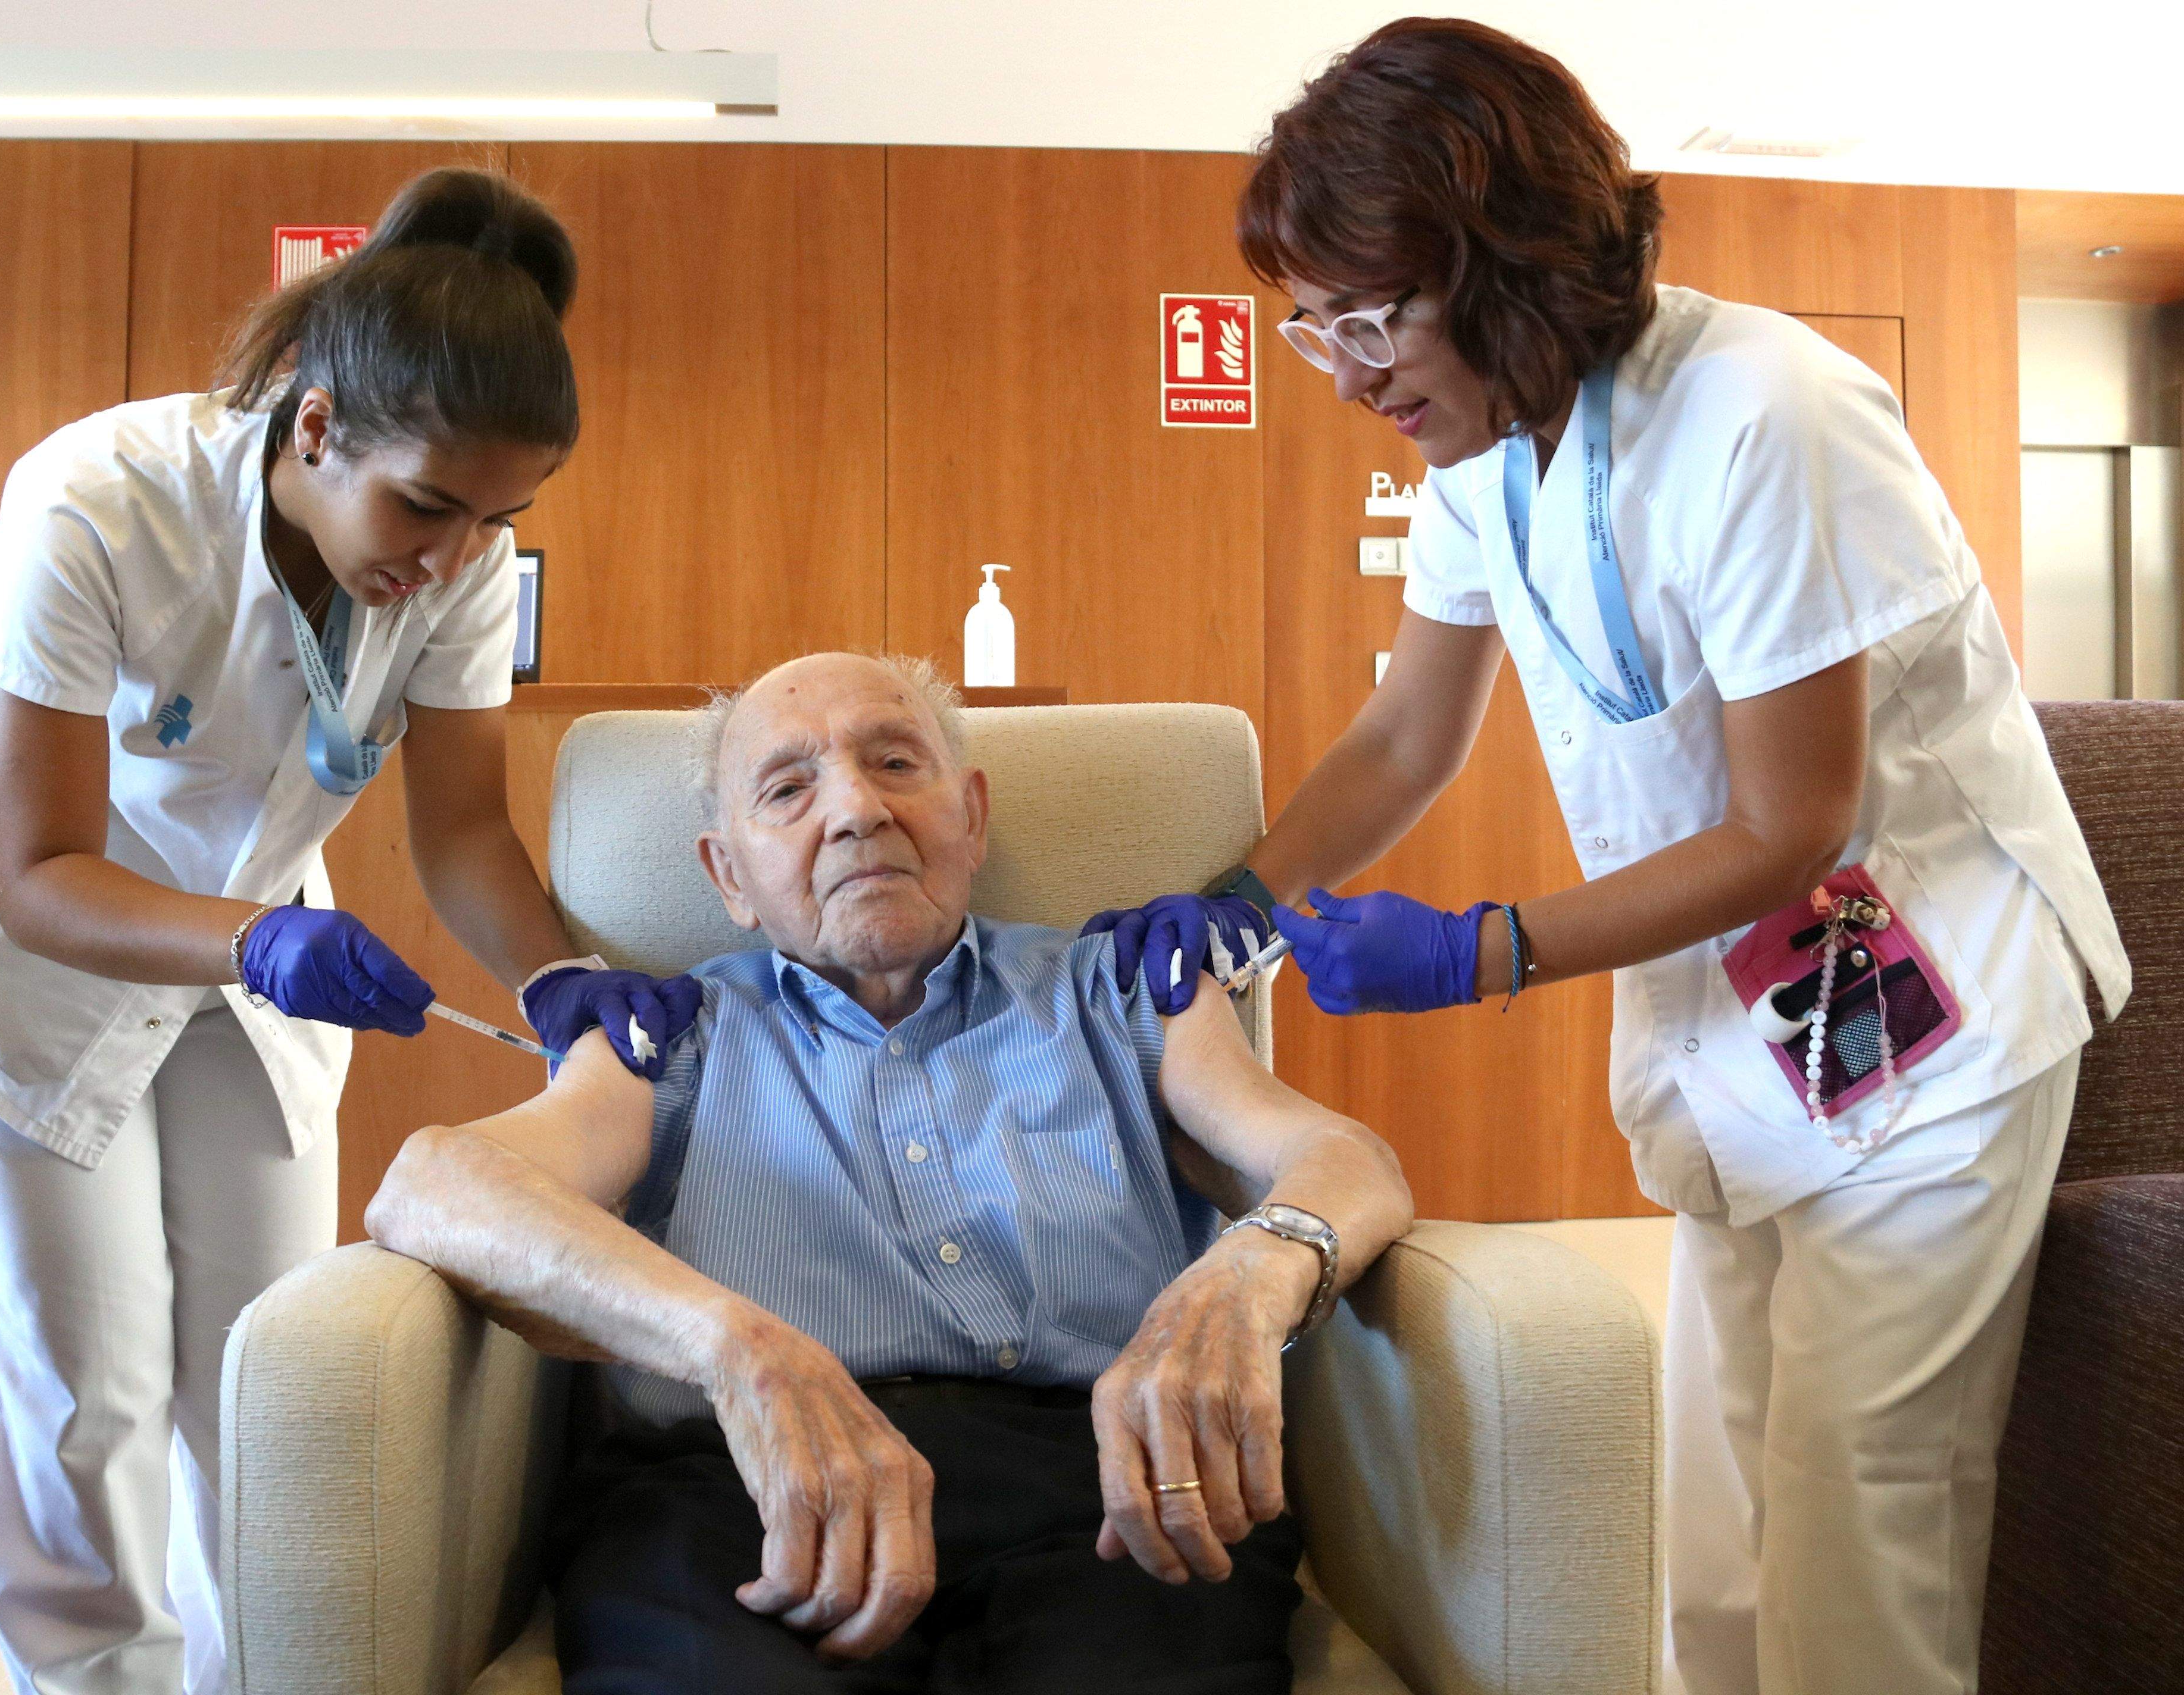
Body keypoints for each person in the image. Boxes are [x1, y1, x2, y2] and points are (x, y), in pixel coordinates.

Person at [1089, 21, 2128, 1695]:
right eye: (1313, 330)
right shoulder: (1483, 457)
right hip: (1755, 1039)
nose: (1345, 371)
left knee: (1862, 1518)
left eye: (1369, 317)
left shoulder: (1768, 413)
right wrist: (1239, 901)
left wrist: (1483, 949)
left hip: (1935, 1029)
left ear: (1498, 261)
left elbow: (1790, 826)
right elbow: (1405, 740)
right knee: (1717, 1524)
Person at [0, 165, 699, 1695]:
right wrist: (254, 939)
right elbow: (40, 864)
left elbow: (462, 835)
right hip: (41, 963)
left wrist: (561, 974)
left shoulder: (455, 563)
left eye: (501, 521)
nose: (457, 556)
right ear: (317, 426)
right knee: (85, 1391)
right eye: (432, 509)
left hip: (254, 970)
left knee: (258, 1378)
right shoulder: (100, 504)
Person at [365, 652, 1415, 1693]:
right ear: (729, 875)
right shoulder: (668, 1035)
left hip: (1104, 1485)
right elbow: (435, 1186)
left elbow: (1343, 1162)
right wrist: (741, 1350)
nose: (857, 810)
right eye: (789, 789)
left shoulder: (1124, 991)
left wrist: (1248, 1275)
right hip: (745, 1488)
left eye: (896, 765)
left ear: (971, 817)